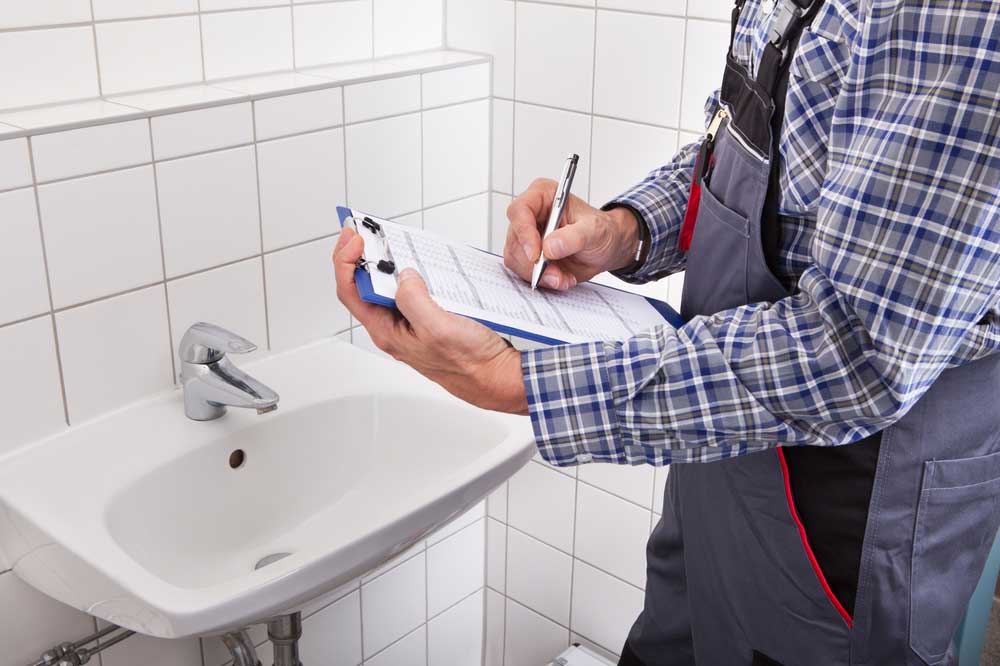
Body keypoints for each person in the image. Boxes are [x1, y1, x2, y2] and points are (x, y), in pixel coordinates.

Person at [333, 0, 1000, 662]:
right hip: (721, 465)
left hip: (846, 513)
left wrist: (513, 380)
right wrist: (626, 230)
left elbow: (853, 354)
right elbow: (751, 143)